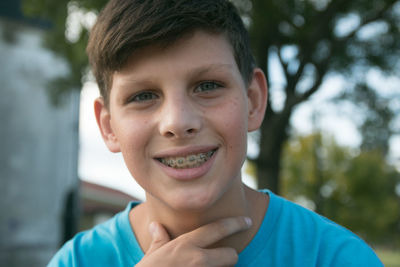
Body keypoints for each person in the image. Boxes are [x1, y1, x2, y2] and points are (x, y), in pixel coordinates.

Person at [48, 0, 383, 266]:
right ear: (109, 126)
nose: (178, 122)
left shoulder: (335, 258)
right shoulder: (77, 261)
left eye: (207, 86)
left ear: (253, 101)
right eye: (143, 96)